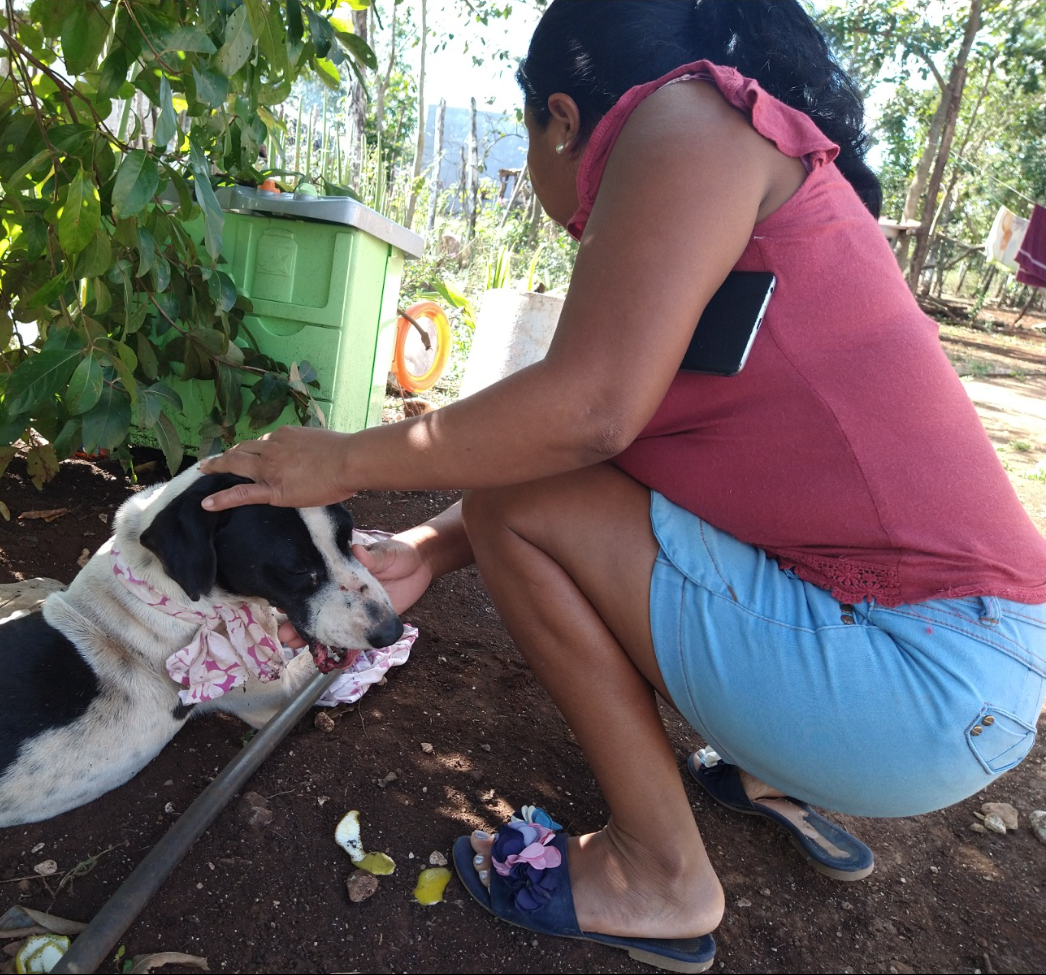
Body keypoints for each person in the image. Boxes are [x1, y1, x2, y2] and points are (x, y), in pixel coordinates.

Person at [201, 1, 1046, 970]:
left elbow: (583, 420)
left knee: (522, 505)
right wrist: (429, 548)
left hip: (912, 687)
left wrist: (342, 455)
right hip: (959, 672)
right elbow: (607, 449)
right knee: (554, 500)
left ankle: (658, 873)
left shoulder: (690, 117)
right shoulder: (751, 206)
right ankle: (772, 771)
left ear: (560, 119)